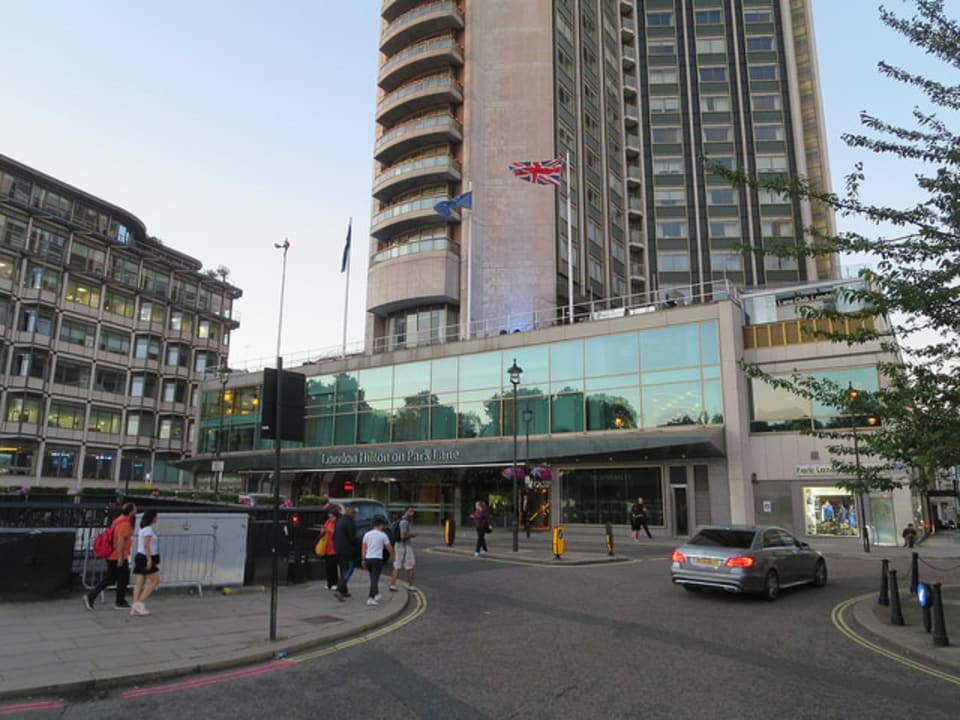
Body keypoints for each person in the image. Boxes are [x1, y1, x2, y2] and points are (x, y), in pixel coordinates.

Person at [84, 502, 136, 611]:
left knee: (111, 578)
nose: (136, 511)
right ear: (131, 512)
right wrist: (121, 557)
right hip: (118, 555)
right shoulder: (125, 524)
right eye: (135, 510)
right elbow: (121, 540)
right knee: (122, 578)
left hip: (112, 554)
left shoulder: (118, 520)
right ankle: (119, 601)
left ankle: (93, 596)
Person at [131, 509, 161, 616]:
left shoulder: (143, 529)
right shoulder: (148, 529)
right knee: (155, 580)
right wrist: (149, 559)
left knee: (140, 582)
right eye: (156, 516)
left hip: (140, 556)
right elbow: (146, 545)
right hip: (145, 557)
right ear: (152, 518)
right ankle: (139, 604)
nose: (157, 518)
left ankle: (135, 606)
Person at [361, 517, 395, 606]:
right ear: (380, 525)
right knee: (374, 579)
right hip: (377, 559)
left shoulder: (367, 534)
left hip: (368, 559)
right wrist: (393, 556)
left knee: (372, 577)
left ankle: (376, 594)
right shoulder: (382, 535)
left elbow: (364, 548)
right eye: (383, 525)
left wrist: (363, 559)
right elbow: (389, 547)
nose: (383, 527)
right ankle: (370, 598)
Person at [333, 505, 359, 601]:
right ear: (350, 512)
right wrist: (358, 544)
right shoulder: (349, 522)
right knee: (348, 570)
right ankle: (340, 590)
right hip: (348, 551)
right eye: (354, 513)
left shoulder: (340, 520)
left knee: (343, 569)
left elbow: (334, 535)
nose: (355, 515)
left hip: (339, 549)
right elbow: (352, 538)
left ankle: (344, 590)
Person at [389, 506, 417, 592]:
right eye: (410, 511)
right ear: (406, 512)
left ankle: (392, 585)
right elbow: (403, 536)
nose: (412, 513)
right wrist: (412, 535)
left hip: (399, 546)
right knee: (410, 566)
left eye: (413, 511)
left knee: (397, 565)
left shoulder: (401, 521)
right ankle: (410, 586)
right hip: (404, 546)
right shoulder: (404, 522)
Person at [319, 506, 340, 591]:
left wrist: (329, 530)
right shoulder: (327, 522)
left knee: (333, 567)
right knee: (328, 567)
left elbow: (338, 533)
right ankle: (329, 583)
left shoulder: (337, 523)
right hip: (327, 547)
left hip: (334, 548)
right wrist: (323, 530)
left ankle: (335, 582)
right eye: (329, 517)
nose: (330, 518)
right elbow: (322, 531)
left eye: (332, 517)